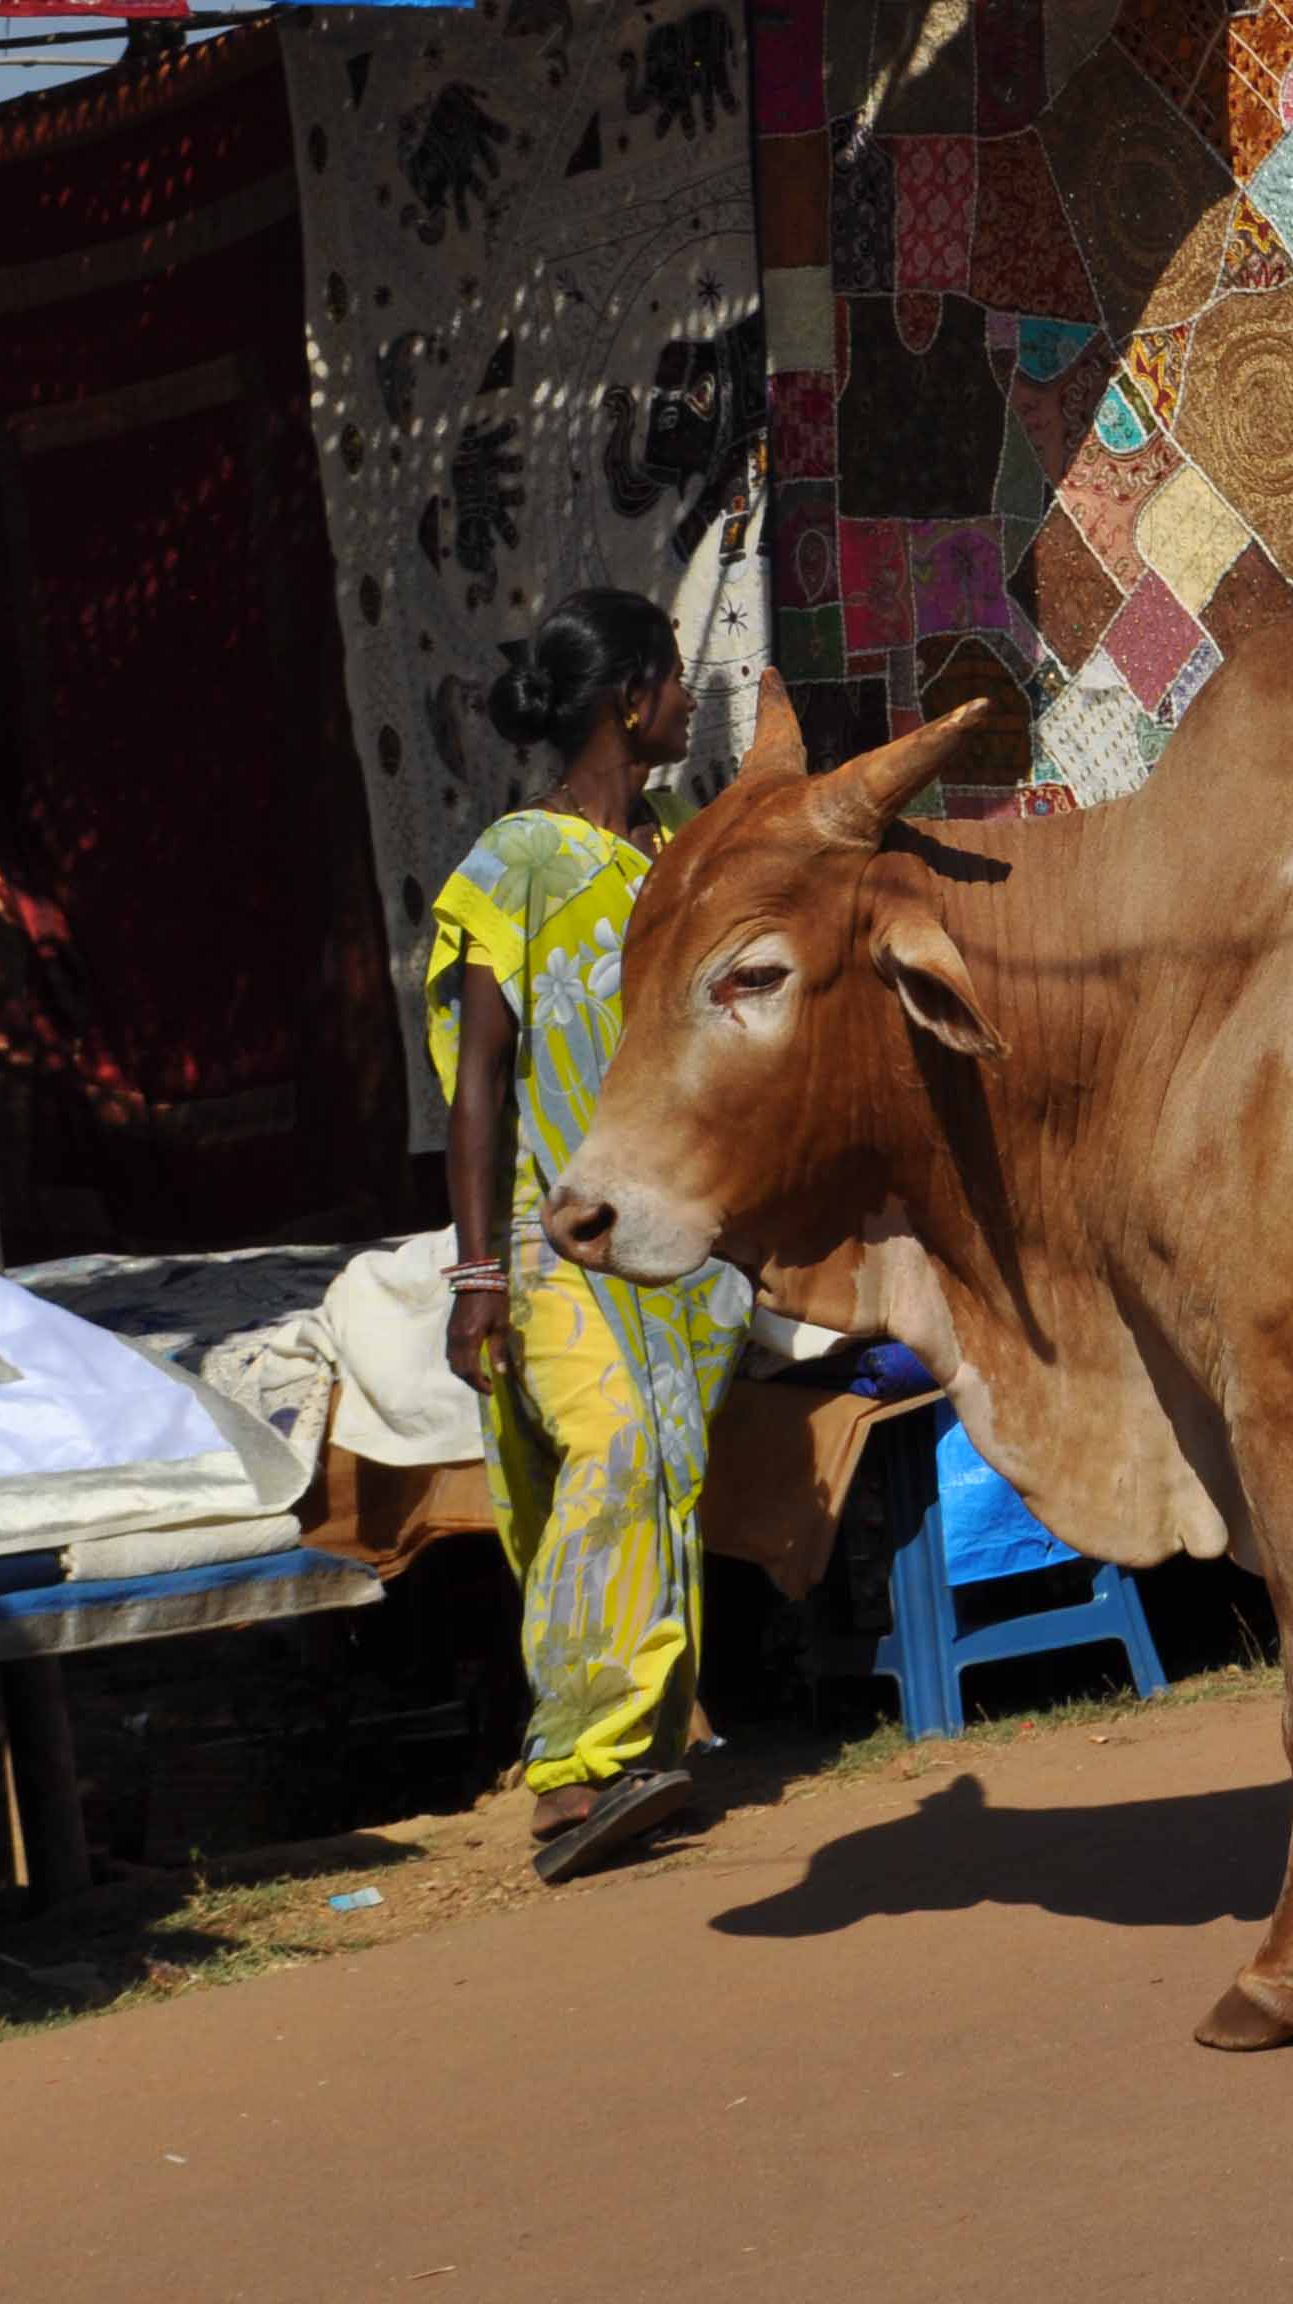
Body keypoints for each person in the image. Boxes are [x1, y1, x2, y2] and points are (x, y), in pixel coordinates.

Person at [426, 589, 752, 1881]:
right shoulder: (517, 859)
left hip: (659, 1247)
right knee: (611, 1443)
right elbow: (478, 1079)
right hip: (548, 1239)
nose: (687, 702)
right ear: (629, 695)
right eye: (675, 681)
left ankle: (643, 1738)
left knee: (661, 1474)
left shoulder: (671, 858)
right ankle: (570, 1773)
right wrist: (474, 1276)